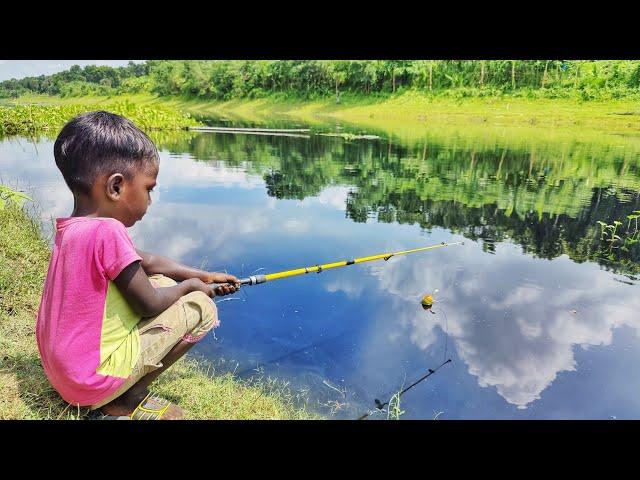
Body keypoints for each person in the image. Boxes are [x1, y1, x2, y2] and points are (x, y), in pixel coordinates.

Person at [35, 110, 240, 420]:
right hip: (90, 384)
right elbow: (149, 305)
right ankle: (125, 398)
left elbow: (150, 262)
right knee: (201, 307)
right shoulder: (109, 231)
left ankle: (114, 388)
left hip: (63, 376)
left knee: (161, 281)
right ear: (116, 187)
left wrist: (203, 273)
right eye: (148, 189)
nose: (150, 200)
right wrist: (194, 287)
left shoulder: (73, 229)